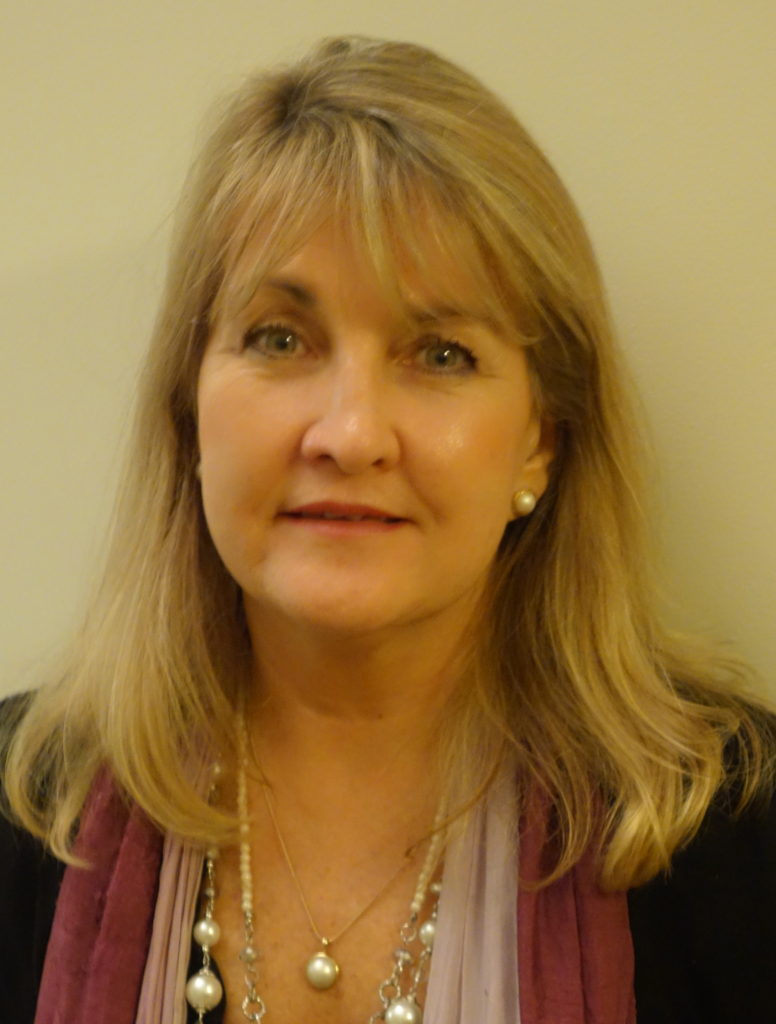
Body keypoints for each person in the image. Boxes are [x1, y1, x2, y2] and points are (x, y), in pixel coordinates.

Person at [1, 35, 774, 1024]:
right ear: (187, 409)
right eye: (280, 338)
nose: (351, 433)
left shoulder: (731, 842)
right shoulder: (24, 817)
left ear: (539, 440)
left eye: (439, 352)